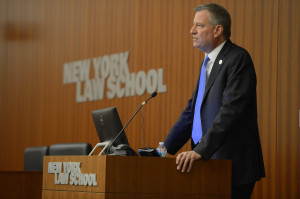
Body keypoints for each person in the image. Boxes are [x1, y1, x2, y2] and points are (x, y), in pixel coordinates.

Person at [163, 3, 265, 199]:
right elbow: (191, 112)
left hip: (231, 165)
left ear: (218, 30)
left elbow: (231, 111)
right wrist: (162, 150)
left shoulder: (238, 58)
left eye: (199, 26)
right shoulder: (207, 63)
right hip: (208, 163)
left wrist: (201, 150)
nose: (191, 30)